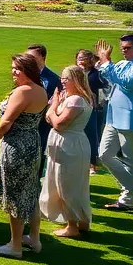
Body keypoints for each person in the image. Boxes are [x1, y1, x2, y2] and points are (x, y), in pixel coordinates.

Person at [0, 53, 50, 257]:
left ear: (28, 70)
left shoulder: (23, 91)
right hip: (33, 144)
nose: (13, 72)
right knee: (30, 191)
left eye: (17, 69)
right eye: (13, 68)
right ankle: (34, 238)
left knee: (15, 195)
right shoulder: (41, 90)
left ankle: (15, 245)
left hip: (17, 146)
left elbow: (6, 122)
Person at [96, 35, 133, 211]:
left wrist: (107, 63)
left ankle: (128, 199)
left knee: (130, 161)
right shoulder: (123, 64)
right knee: (104, 155)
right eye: (122, 48)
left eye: (128, 48)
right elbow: (110, 78)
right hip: (113, 118)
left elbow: (127, 82)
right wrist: (101, 65)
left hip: (131, 121)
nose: (124, 51)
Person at [39, 66, 95, 238]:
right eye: (62, 78)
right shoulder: (73, 98)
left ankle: (72, 226)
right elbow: (48, 117)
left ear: (76, 79)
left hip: (69, 145)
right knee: (75, 184)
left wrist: (54, 105)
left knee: (66, 184)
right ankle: (83, 221)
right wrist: (54, 109)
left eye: (67, 78)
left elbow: (58, 123)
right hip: (69, 143)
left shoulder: (75, 100)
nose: (62, 81)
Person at [76, 49, 107, 172]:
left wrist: (99, 104)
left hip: (93, 109)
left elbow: (103, 90)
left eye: (83, 58)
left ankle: (92, 163)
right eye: (79, 58)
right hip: (76, 107)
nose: (80, 61)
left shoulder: (96, 75)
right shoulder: (74, 73)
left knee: (92, 135)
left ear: (90, 61)